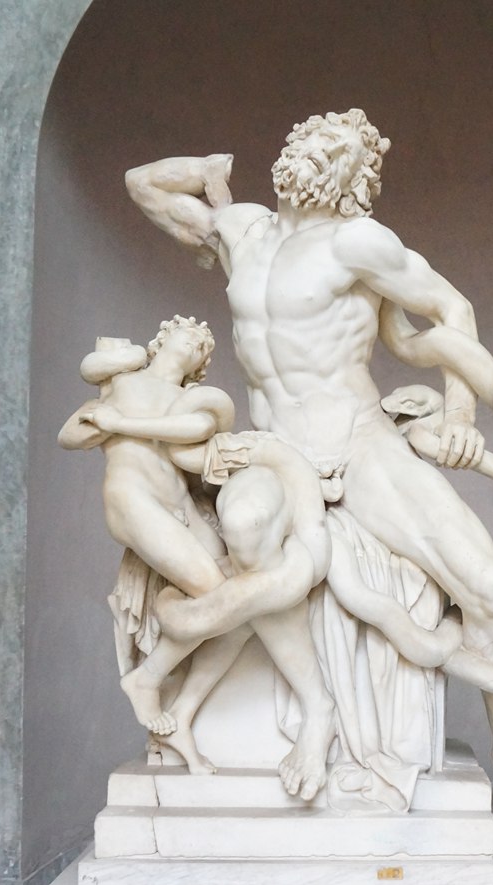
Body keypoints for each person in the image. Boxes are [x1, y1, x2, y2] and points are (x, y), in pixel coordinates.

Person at [125, 111, 493, 823]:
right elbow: (143, 186)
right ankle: (315, 708)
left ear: (355, 179)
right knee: (246, 528)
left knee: (484, 580)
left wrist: (458, 415)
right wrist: (204, 171)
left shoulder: (357, 241)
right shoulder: (242, 231)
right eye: (311, 139)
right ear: (289, 146)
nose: (316, 152)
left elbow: (452, 308)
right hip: (274, 447)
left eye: (338, 150)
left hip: (357, 440)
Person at [59, 317, 336, 800]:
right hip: (133, 497)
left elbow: (196, 435)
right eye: (186, 335)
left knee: (241, 605)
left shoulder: (195, 402)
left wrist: (121, 424)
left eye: (202, 346)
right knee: (225, 598)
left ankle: (181, 712)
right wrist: (102, 414)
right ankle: (146, 679)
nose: (195, 343)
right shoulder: (123, 382)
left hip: (181, 509)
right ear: (160, 339)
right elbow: (70, 435)